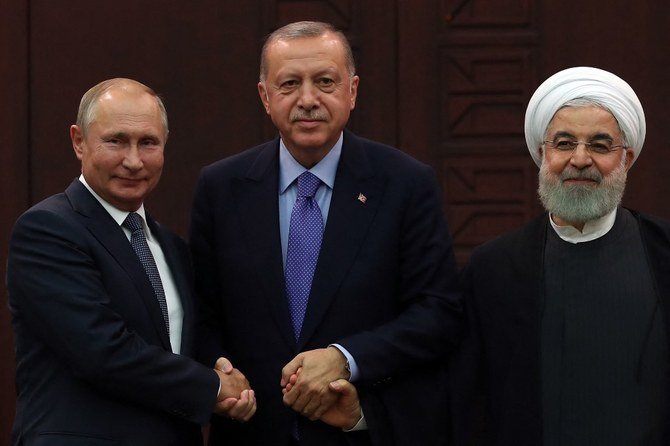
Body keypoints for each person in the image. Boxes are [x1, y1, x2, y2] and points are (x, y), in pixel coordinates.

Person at [190, 21, 461, 446]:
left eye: (325, 82)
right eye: (290, 84)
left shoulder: (405, 184)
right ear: (265, 96)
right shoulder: (221, 187)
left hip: (358, 428)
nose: (308, 100)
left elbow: (437, 313)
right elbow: (203, 312)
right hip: (253, 433)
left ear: (352, 91)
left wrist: (345, 358)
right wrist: (219, 368)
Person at [6, 78, 256, 446]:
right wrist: (213, 387)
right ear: (79, 141)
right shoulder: (48, 230)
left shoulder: (171, 246)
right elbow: (102, 351)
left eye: (148, 143)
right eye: (116, 141)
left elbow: (178, 341)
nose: (134, 161)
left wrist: (218, 365)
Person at [450, 66, 670, 445]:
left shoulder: (663, 252)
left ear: (627, 159)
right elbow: (465, 398)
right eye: (564, 143)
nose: (580, 159)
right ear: (542, 153)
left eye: (600, 145)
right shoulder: (495, 267)